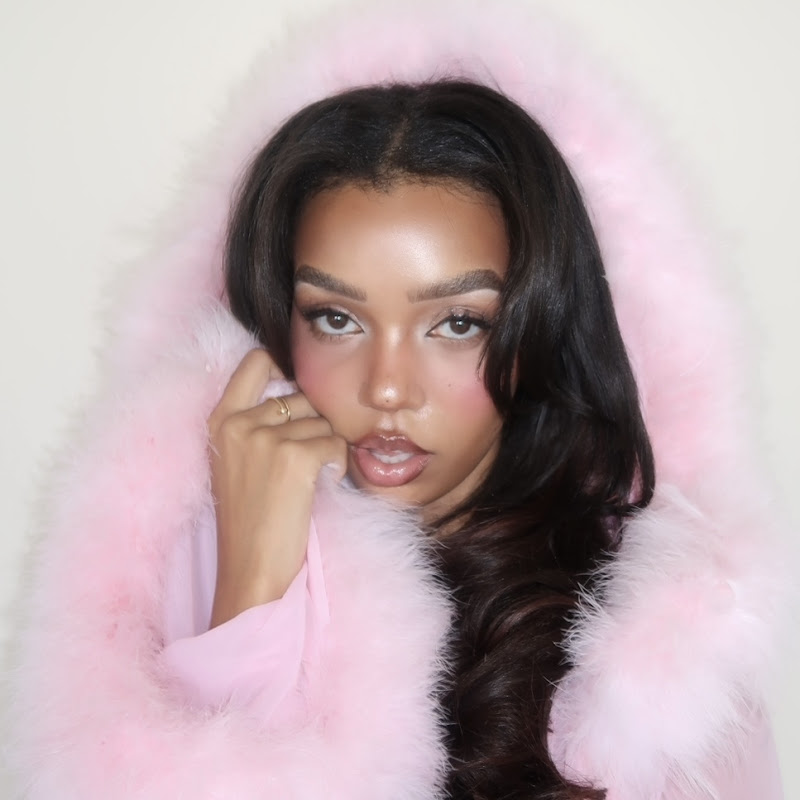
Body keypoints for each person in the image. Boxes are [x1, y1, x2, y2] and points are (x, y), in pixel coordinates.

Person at [6, 4, 787, 799]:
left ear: (536, 332)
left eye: (457, 323)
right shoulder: (165, 589)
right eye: (336, 319)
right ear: (274, 327)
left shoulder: (660, 670)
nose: (386, 388)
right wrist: (253, 591)